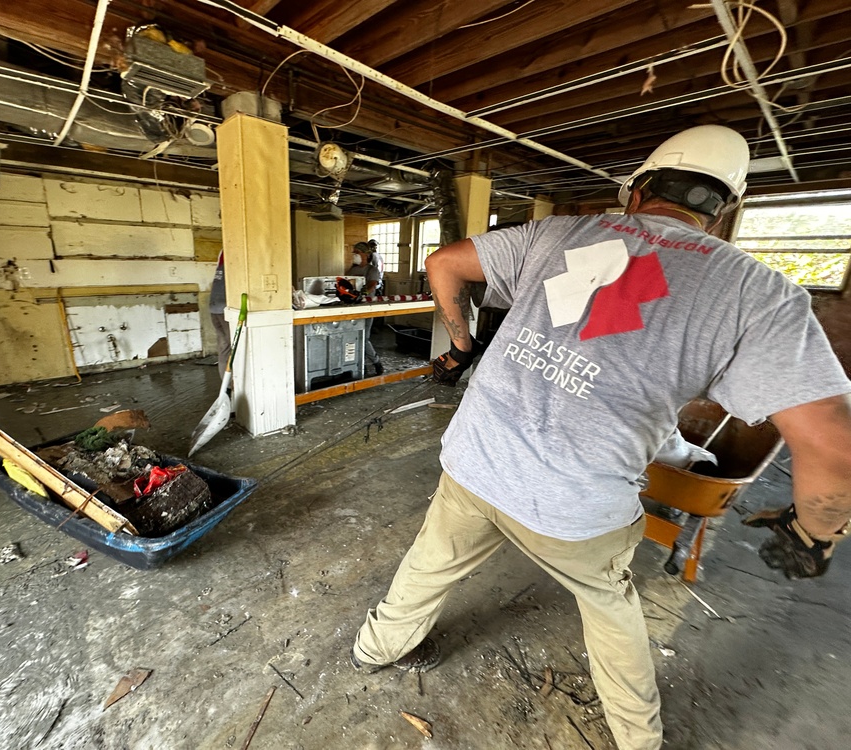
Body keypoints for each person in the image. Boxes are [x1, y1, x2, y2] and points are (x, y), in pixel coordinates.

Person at [350, 125, 851, 750]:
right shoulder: (757, 291)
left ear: (637, 190)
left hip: (475, 461)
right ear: (722, 211)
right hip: (576, 504)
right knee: (611, 611)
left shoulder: (560, 231)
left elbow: (442, 263)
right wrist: (814, 531)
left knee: (430, 564)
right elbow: (832, 443)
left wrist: (460, 345)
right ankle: (637, 741)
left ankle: (374, 649)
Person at [349, 241, 384, 376]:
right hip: (353, 308)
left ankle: (376, 362)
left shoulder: (371, 270)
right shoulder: (353, 270)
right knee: (353, 336)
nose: (354, 255)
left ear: (365, 254)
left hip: (366, 308)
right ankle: (358, 365)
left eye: (357, 253)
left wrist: (361, 294)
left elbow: (371, 285)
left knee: (363, 338)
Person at [208, 250, 230, 379]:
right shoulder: (236, 254)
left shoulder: (222, 253)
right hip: (225, 309)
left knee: (224, 347)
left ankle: (225, 386)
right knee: (236, 348)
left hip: (214, 306)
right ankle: (235, 385)